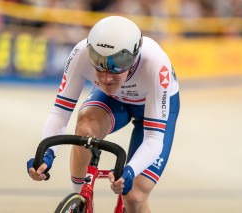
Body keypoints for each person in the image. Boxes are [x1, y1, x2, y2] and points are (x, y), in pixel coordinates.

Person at [27, 16, 180, 212]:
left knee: (134, 197)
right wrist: (47, 154)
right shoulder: (81, 52)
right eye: (98, 65)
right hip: (115, 99)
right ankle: (79, 202)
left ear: (133, 60)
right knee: (85, 128)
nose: (106, 77)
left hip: (152, 108)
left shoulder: (156, 65)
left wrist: (131, 170)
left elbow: (153, 139)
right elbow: (60, 113)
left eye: (116, 68)